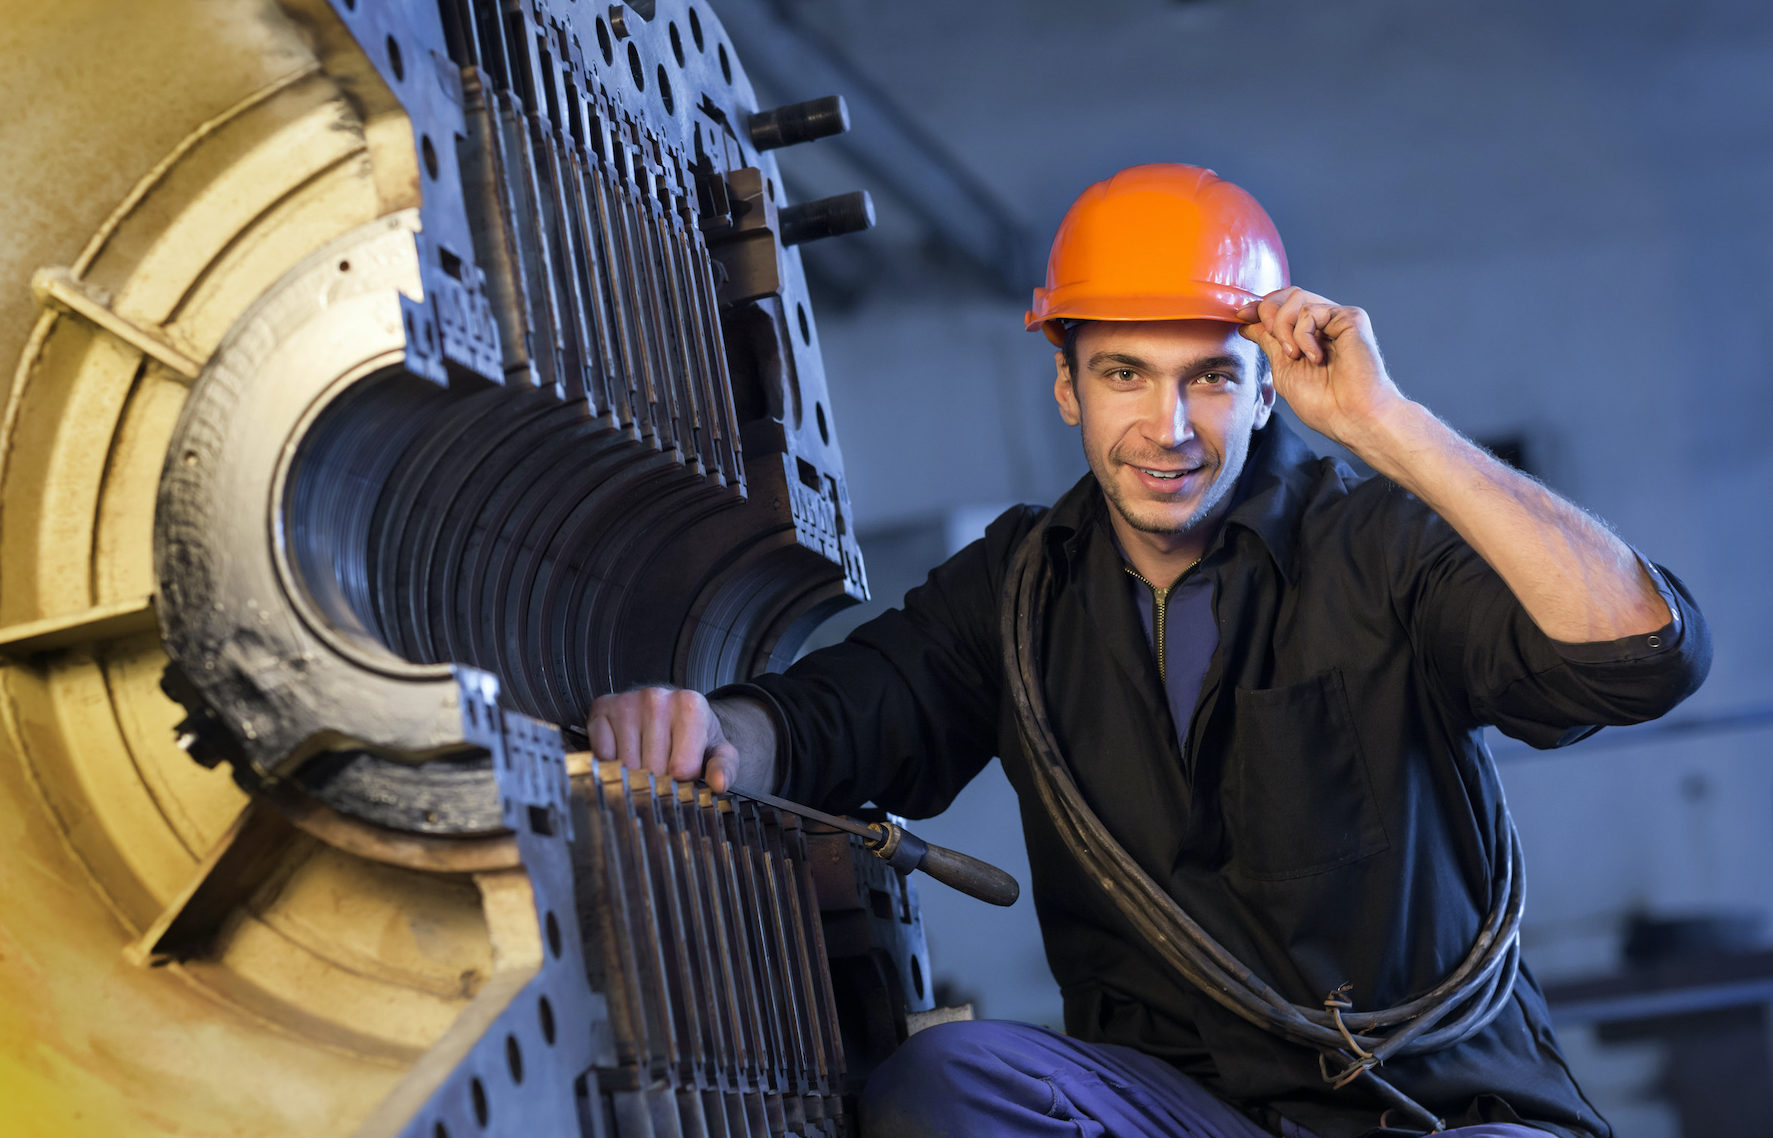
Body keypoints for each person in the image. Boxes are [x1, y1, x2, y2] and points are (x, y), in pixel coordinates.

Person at [585, 164, 1710, 1138]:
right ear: (1068, 385)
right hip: (1182, 1112)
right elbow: (834, 717)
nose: (1168, 429)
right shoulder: (1018, 594)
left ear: (1268, 392)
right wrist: (706, 732)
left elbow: (1640, 655)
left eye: (1210, 377)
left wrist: (1388, 425)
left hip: (1445, 1107)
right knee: (947, 1084)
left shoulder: (1377, 545)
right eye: (1125, 372)